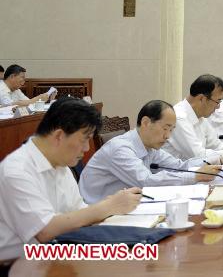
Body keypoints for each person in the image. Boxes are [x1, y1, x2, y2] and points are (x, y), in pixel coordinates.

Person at [0, 98, 141, 260]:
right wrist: (109, 206)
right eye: (84, 139)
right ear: (59, 135)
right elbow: (45, 230)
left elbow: (77, 212)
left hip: (56, 254)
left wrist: (113, 208)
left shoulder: (61, 164)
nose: (87, 148)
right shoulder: (16, 170)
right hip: (17, 265)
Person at [79, 100, 223, 204]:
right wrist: (195, 176)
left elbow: (179, 165)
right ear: (146, 122)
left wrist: (217, 159)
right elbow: (146, 181)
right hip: (98, 213)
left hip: (125, 206)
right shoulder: (121, 149)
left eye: (171, 130)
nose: (168, 136)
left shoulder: (149, 146)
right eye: (165, 128)